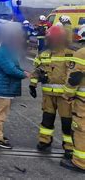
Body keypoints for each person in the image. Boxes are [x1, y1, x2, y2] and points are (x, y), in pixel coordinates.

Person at [29, 25, 75, 158]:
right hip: (48, 95)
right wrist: (33, 85)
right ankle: (44, 141)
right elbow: (37, 70)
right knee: (47, 119)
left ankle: (69, 147)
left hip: (65, 96)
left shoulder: (70, 54)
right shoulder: (44, 54)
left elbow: (75, 74)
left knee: (67, 122)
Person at [0, 22, 30, 149]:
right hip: (2, 90)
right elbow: (11, 70)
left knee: (0, 114)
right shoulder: (3, 52)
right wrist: (25, 74)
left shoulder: (6, 51)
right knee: (0, 115)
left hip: (4, 89)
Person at [60, 25, 85, 172]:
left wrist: (67, 95)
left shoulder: (81, 54)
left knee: (81, 130)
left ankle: (80, 162)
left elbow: (74, 79)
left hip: (83, 103)